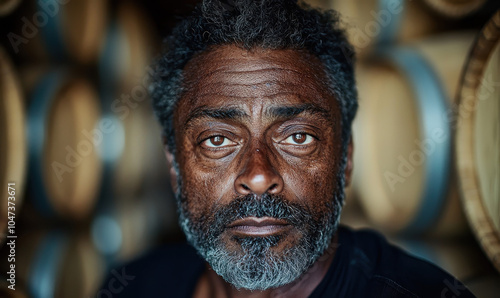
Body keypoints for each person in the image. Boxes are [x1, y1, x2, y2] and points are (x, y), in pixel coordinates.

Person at [100, 0, 475, 297]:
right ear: (174, 163)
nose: (259, 176)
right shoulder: (133, 285)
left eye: (298, 137)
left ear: (345, 157)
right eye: (217, 140)